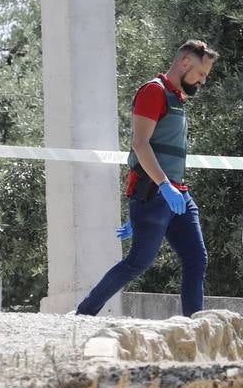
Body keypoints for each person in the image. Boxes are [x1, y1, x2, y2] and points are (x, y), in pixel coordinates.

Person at [76, 40, 219, 317]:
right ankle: (84, 313)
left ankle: (194, 326)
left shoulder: (177, 98)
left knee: (196, 260)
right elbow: (140, 145)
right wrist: (161, 189)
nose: (203, 80)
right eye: (202, 73)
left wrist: (171, 189)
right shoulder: (154, 91)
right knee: (137, 263)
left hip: (178, 196)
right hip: (156, 194)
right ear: (185, 62)